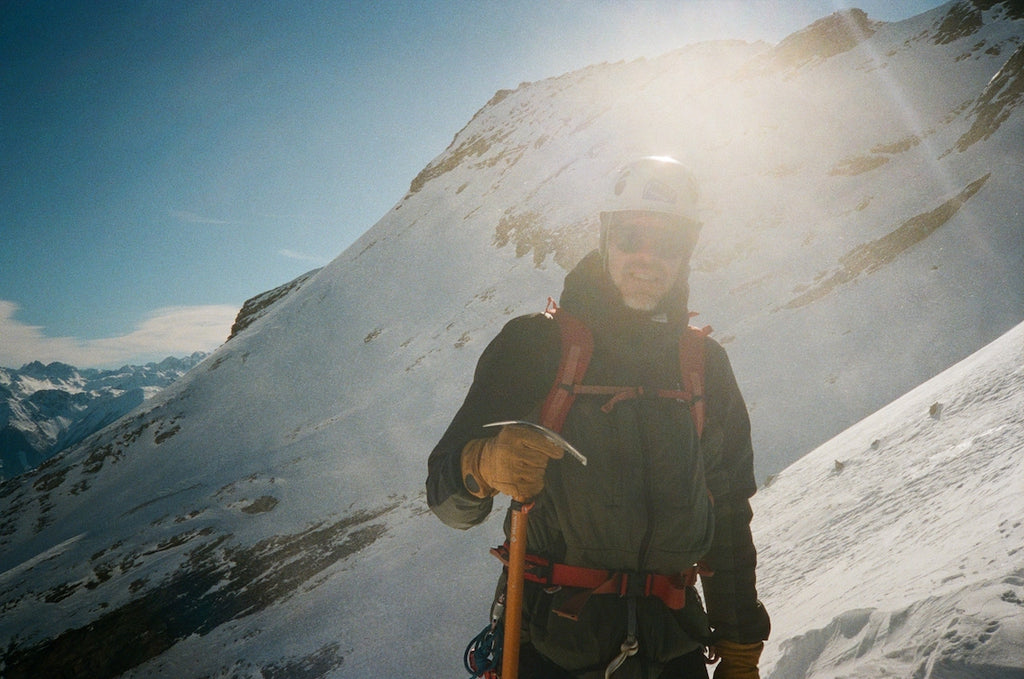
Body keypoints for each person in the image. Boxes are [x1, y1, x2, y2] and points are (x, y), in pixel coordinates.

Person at [426, 156, 770, 679]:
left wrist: (741, 642)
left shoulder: (705, 366)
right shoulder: (537, 345)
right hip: (550, 651)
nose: (648, 257)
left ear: (686, 254)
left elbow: (727, 515)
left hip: (676, 651)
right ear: (607, 239)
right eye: (632, 236)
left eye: (669, 243)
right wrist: (482, 464)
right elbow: (444, 495)